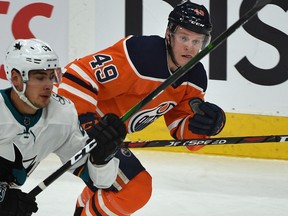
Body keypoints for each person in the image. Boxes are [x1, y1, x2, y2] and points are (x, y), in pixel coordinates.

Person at [57, 1, 226, 215]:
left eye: (197, 41)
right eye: (184, 38)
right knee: (135, 188)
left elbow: (182, 131)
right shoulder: (141, 55)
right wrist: (90, 127)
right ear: (169, 34)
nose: (189, 47)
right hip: (71, 121)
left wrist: (208, 125)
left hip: (105, 139)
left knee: (122, 185)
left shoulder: (195, 77)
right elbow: (75, 76)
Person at [0, 38, 126, 216]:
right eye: (40, 77)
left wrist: (102, 158)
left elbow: (101, 183)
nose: (49, 85)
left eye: (52, 76)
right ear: (16, 79)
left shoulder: (62, 114)